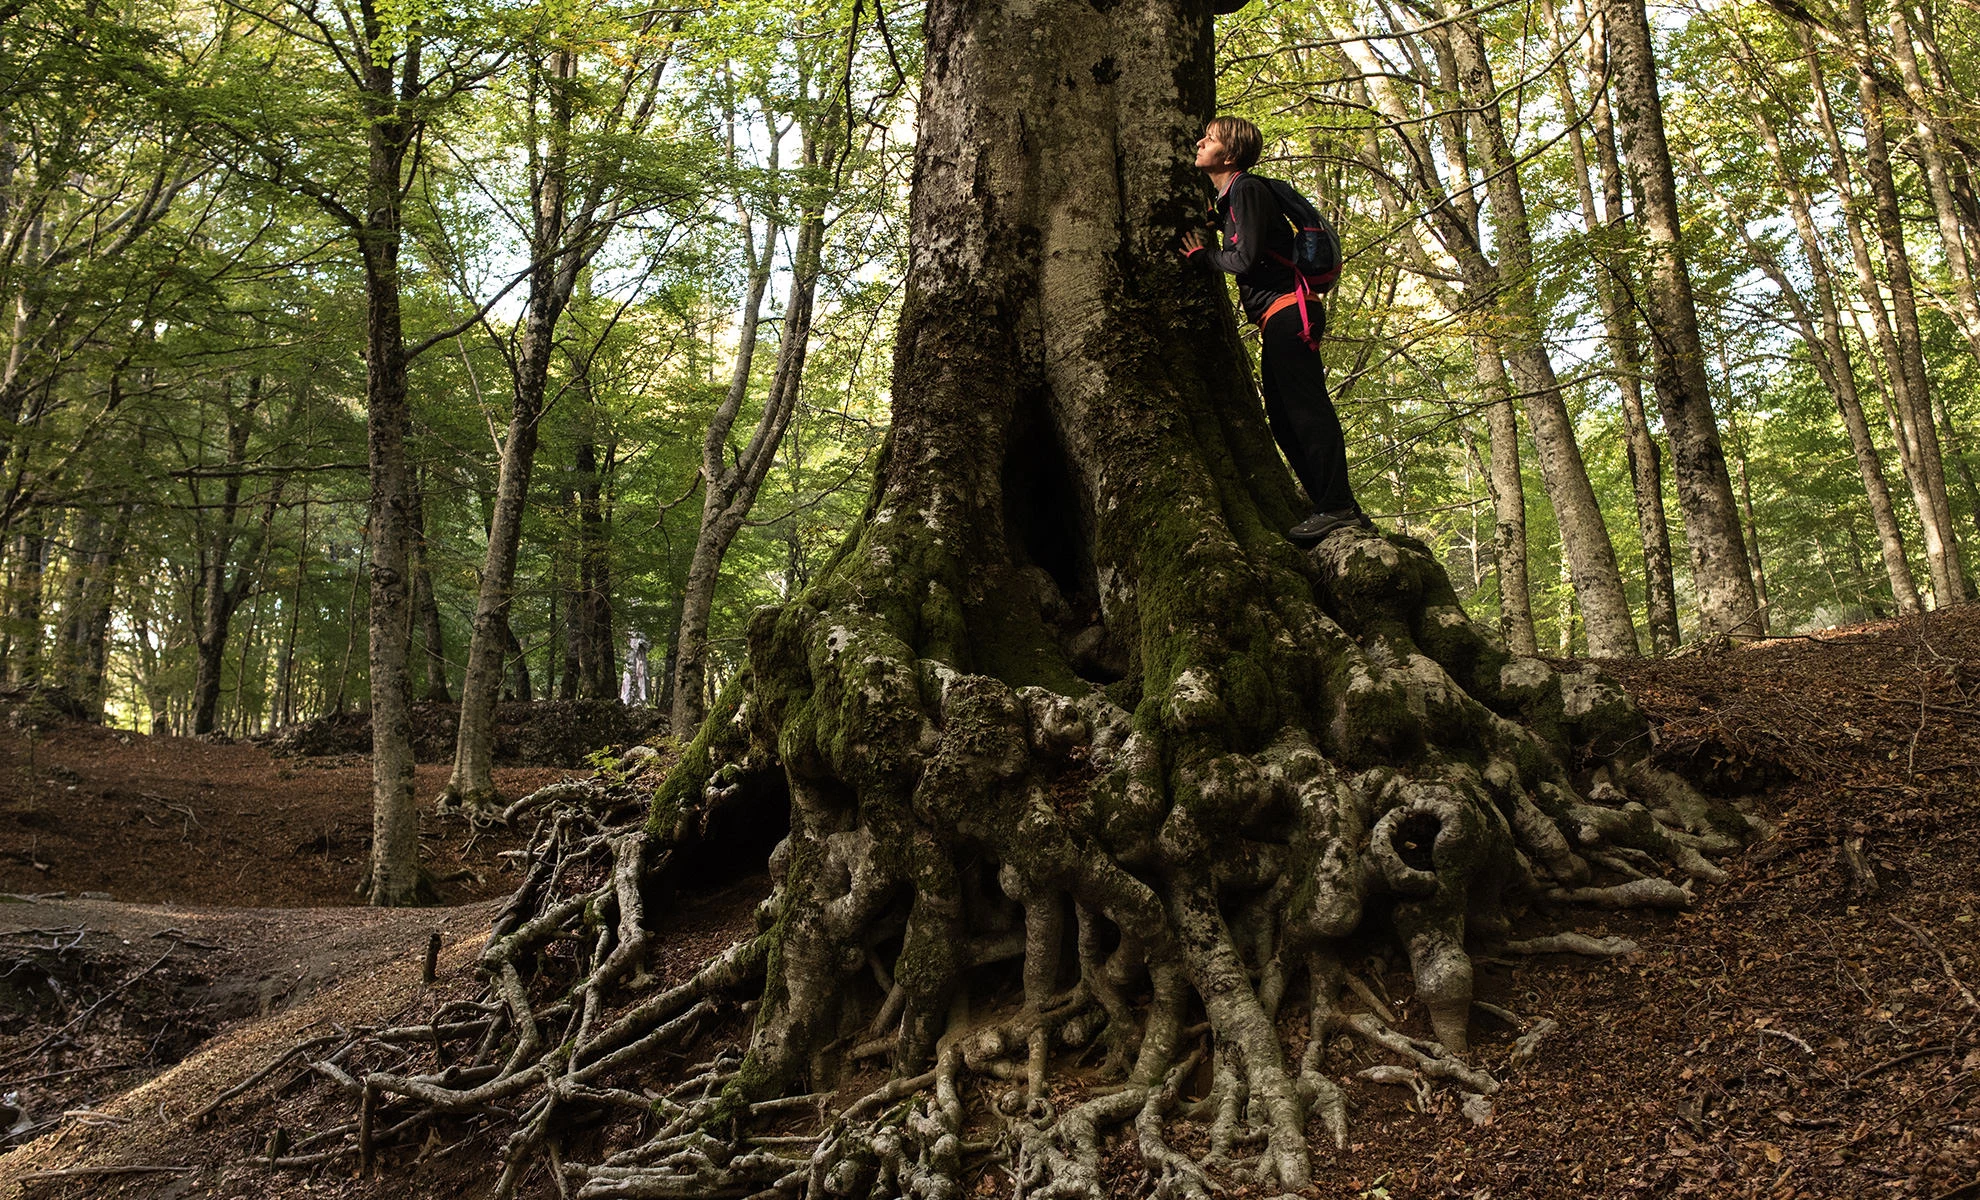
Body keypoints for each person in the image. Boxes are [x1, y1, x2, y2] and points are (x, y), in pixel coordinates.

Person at [1181, 115, 1369, 544]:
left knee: (1305, 410)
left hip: (1291, 314)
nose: (1199, 142)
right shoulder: (1233, 198)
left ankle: (1338, 507)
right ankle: (1333, 505)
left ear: (1228, 154)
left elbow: (1243, 260)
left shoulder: (1245, 188)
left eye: (1208, 139)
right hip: (1278, 318)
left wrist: (1202, 257)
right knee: (1284, 420)